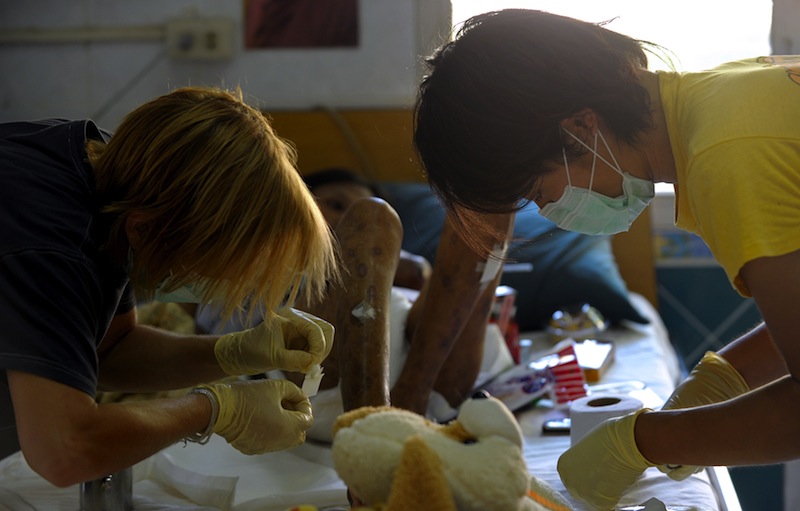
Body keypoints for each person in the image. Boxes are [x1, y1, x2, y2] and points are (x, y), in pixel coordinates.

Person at [412, 8, 800, 510]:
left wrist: (642, 441)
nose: (548, 211)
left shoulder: (725, 157)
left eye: (537, 192)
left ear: (580, 127)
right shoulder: (724, 97)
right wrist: (723, 377)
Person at [0, 86, 338, 488]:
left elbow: (109, 352)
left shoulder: (120, 174)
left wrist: (237, 352)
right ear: (144, 231)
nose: (215, 288)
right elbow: (66, 449)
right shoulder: (51, 245)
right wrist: (215, 409)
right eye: (213, 269)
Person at [194, 168, 513, 439]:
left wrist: (389, 261)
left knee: (491, 207)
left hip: (427, 374)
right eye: (335, 205)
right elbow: (217, 324)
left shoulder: (389, 255)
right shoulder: (260, 259)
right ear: (295, 206)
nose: (346, 219)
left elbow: (425, 275)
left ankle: (407, 403)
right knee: (371, 214)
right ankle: (373, 426)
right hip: (319, 385)